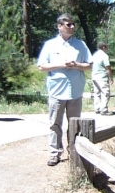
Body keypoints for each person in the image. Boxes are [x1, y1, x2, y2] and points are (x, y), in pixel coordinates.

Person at [37, 14, 93, 167]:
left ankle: (74, 152)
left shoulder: (80, 45)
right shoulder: (50, 45)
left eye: (73, 24)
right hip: (56, 91)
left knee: (74, 124)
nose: (72, 27)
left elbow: (89, 65)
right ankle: (55, 154)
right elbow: (42, 66)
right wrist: (61, 64)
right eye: (69, 24)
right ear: (59, 26)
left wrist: (76, 65)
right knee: (55, 123)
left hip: (75, 91)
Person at [88, 38, 112, 115]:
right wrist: (111, 78)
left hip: (94, 76)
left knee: (97, 93)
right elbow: (107, 68)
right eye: (106, 47)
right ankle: (104, 109)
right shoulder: (104, 56)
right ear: (104, 47)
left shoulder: (94, 55)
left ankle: (97, 108)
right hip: (102, 77)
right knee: (105, 92)